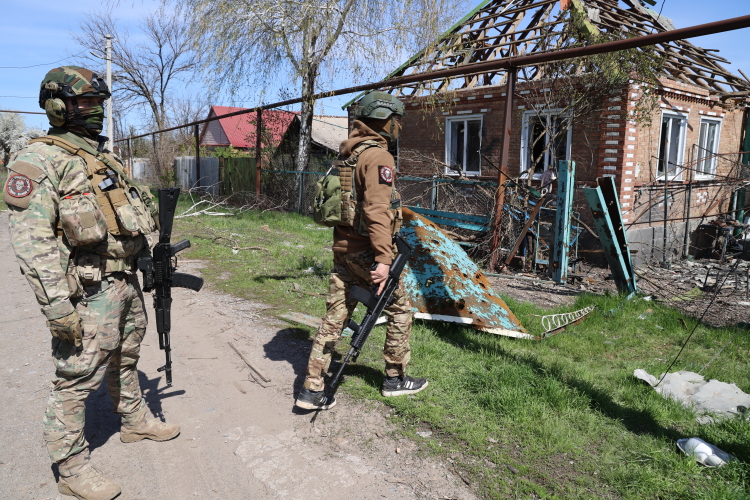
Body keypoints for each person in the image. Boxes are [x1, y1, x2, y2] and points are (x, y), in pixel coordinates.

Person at [3, 66, 179, 500]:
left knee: (127, 355)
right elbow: (32, 243)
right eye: (85, 103)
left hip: (123, 281)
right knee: (77, 375)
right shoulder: (37, 161)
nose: (95, 111)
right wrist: (57, 306)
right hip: (86, 290)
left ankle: (134, 421)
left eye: (100, 103)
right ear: (58, 106)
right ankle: (71, 467)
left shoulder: (102, 156)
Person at [295, 91, 428, 411]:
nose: (398, 126)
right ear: (384, 121)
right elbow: (377, 210)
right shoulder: (378, 157)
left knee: (335, 317)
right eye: (396, 120)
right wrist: (384, 259)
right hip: (369, 252)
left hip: (343, 250)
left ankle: (311, 388)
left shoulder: (347, 155)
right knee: (399, 309)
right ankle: (395, 378)